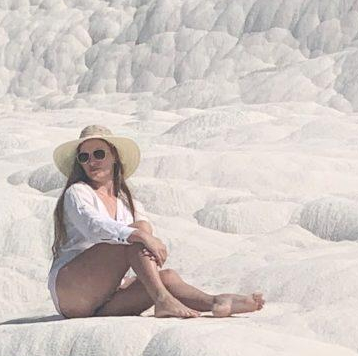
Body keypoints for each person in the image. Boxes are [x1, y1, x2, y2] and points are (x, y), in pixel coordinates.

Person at [47, 124, 265, 319]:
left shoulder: (126, 203)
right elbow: (92, 226)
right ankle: (162, 300)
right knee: (133, 239)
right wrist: (140, 236)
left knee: (166, 277)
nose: (92, 161)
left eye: (98, 153)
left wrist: (143, 234)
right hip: (72, 290)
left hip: (105, 298)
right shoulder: (78, 192)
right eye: (84, 157)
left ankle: (216, 301)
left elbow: (144, 228)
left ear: (114, 156)